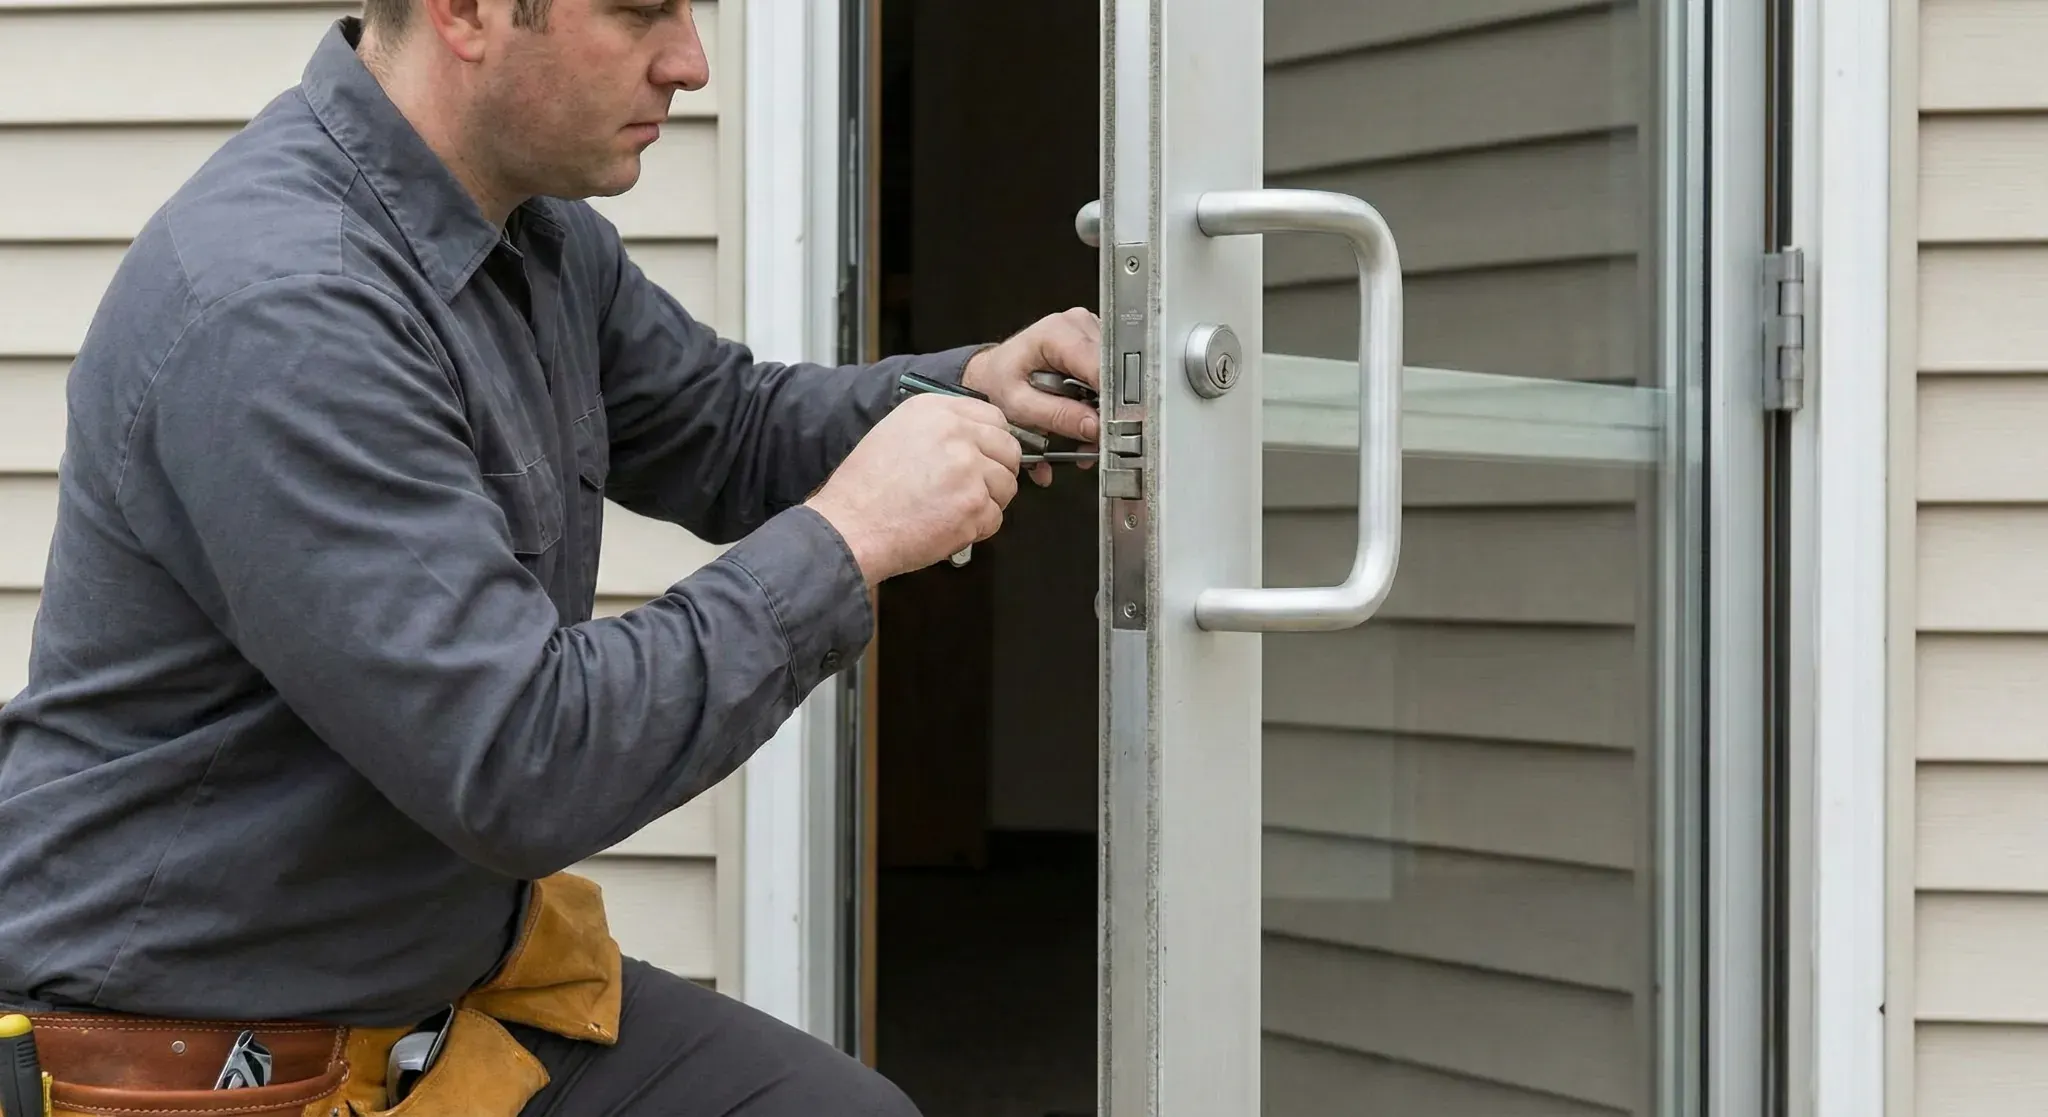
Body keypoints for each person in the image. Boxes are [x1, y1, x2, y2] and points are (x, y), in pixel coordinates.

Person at [0, 1, 1100, 1114]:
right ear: (468, 12)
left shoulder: (529, 231)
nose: (691, 63)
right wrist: (847, 537)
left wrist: (964, 390)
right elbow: (522, 761)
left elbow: (723, 424)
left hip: (428, 994)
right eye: (640, 11)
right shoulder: (284, 307)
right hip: (206, 1054)